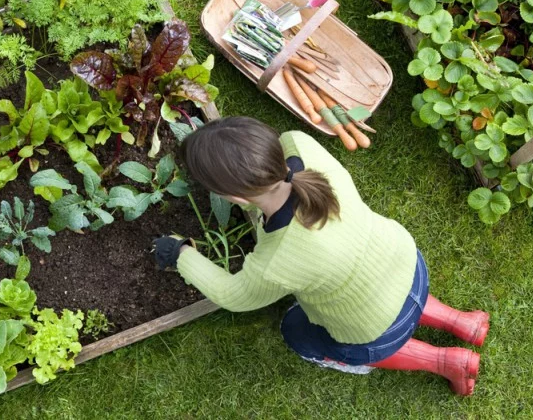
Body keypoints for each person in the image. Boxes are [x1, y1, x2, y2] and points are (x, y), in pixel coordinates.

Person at [153, 117, 489, 395]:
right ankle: (462, 322)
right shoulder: (299, 145)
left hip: (374, 328)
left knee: (296, 331)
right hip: (406, 263)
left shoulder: (277, 261)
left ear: (233, 197)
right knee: (386, 291)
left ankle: (445, 361)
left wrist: (180, 253)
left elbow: (233, 295)